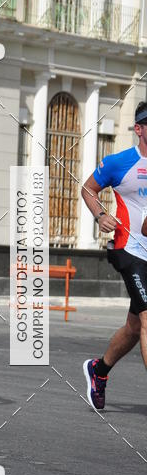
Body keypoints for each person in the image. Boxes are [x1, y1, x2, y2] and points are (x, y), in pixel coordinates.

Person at [81, 102, 147, 410]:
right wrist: (100, 215)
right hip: (128, 248)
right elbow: (88, 190)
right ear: (139, 129)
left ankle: (99, 370)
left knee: (135, 326)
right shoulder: (120, 162)